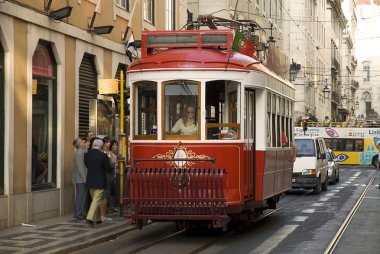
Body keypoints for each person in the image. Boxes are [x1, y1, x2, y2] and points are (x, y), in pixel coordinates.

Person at [84, 139, 111, 227]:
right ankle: (90, 218)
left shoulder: (87, 155)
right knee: (96, 200)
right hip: (100, 181)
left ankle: (98, 218)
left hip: (90, 180)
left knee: (95, 200)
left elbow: (87, 165)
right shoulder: (103, 156)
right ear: (101, 146)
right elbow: (108, 169)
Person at [72, 137, 88, 220]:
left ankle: (82, 212)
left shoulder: (83, 151)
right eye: (81, 141)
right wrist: (85, 179)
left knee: (83, 196)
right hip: (80, 179)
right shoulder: (78, 153)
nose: (83, 141)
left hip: (83, 178)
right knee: (80, 196)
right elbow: (80, 167)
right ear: (79, 145)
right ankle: (78, 213)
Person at [99, 136, 113, 221]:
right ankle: (102, 214)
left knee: (107, 195)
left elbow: (113, 160)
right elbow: (109, 162)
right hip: (105, 175)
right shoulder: (102, 152)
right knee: (104, 195)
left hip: (109, 175)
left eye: (109, 142)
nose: (109, 144)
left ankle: (104, 214)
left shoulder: (108, 152)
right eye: (107, 142)